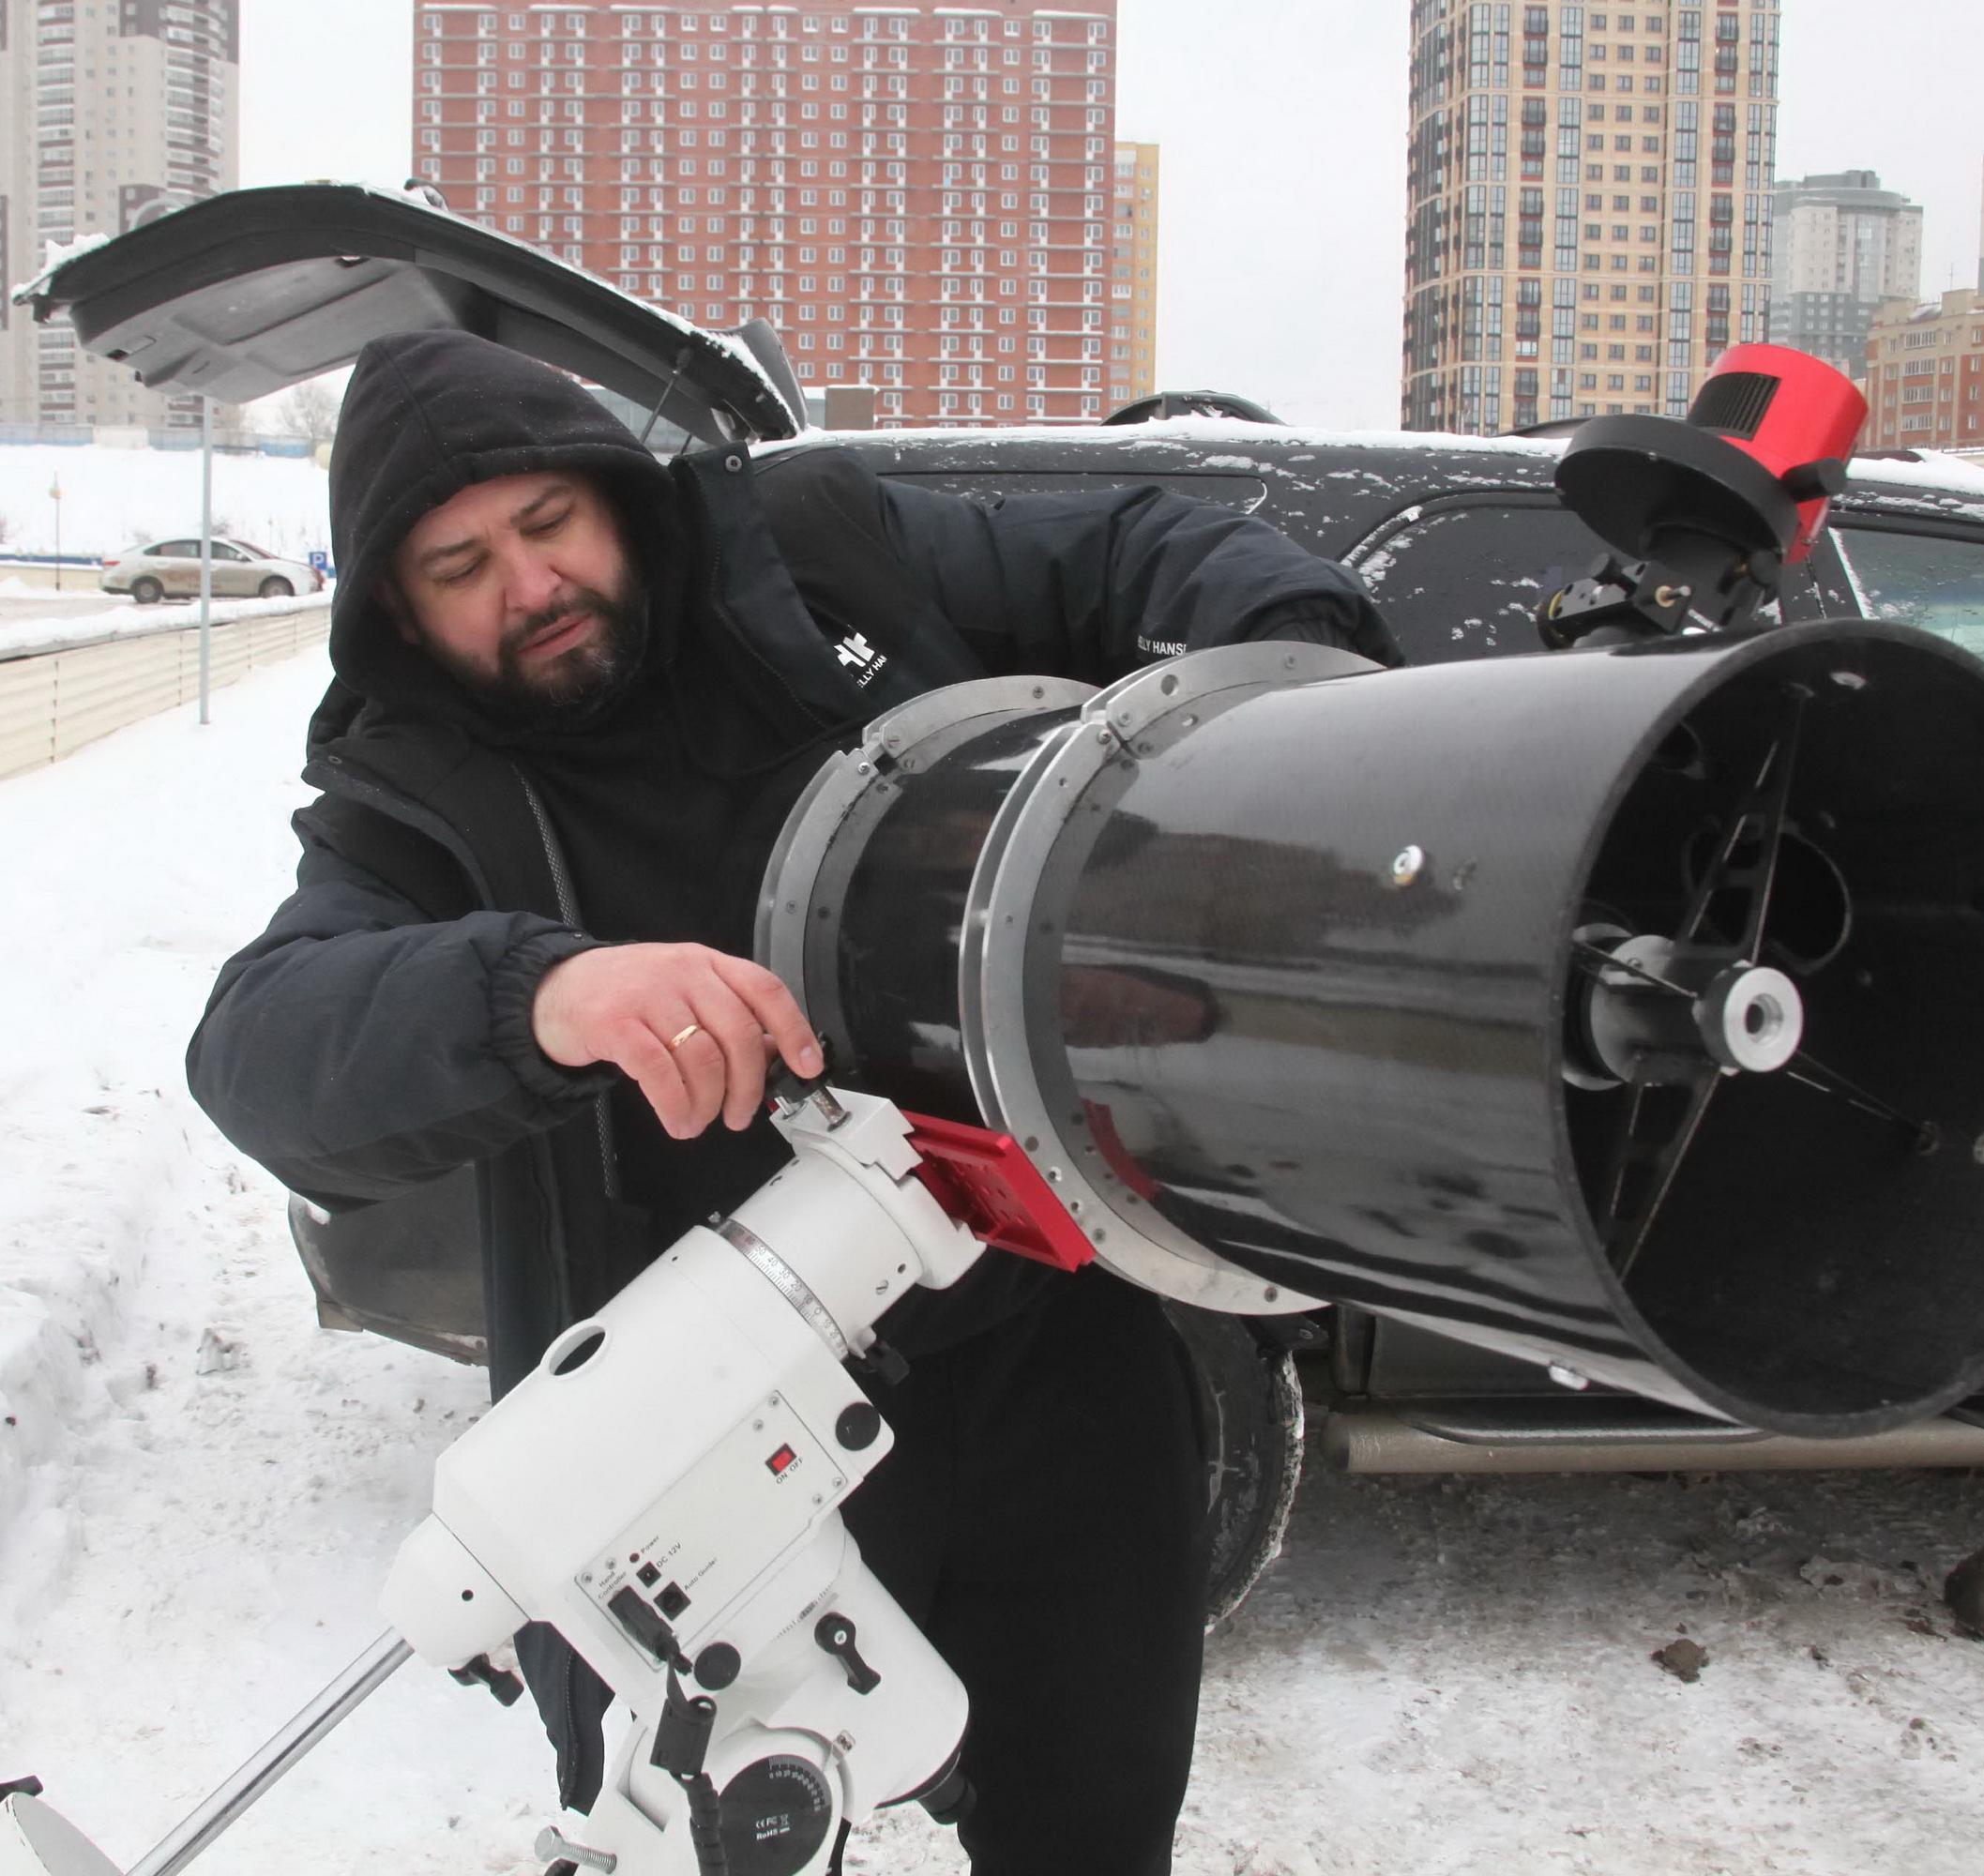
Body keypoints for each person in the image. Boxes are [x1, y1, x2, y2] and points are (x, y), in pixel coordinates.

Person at [186, 329, 1395, 1874]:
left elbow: (1134, 543)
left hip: (1050, 1350)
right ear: (403, 615)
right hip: (711, 1439)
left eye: (549, 523)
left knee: (1095, 1817)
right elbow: (261, 1053)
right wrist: (539, 995)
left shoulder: (825, 552)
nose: (530, 584)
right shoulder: (414, 802)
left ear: (618, 500)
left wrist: (1302, 678)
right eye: (461, 565)